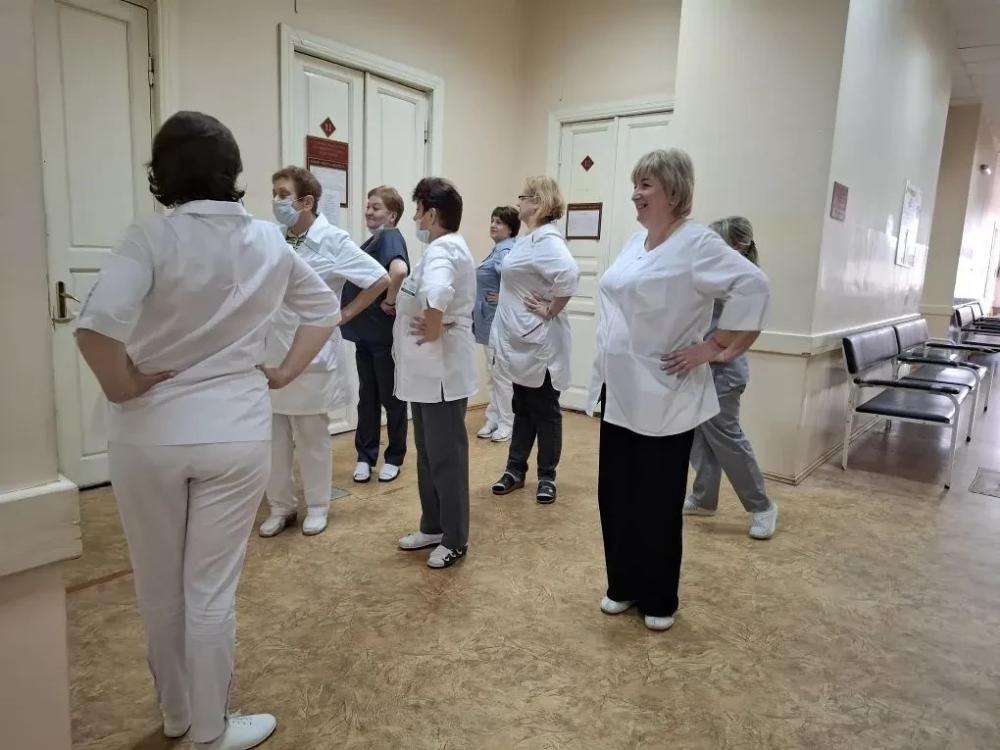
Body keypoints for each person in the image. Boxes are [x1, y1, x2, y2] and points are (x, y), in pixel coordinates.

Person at [74, 112, 341, 749]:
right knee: (211, 591)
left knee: (158, 586)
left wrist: (123, 386)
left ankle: (176, 714)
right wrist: (283, 372)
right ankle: (209, 729)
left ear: (161, 174)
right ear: (233, 172)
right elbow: (324, 310)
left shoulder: (149, 238)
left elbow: (95, 328)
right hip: (234, 431)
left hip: (147, 436)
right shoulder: (268, 242)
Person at [587, 149, 769, 632]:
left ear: (673, 189)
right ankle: (623, 585)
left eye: (646, 184)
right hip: (618, 390)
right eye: (635, 184)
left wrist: (715, 347)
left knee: (657, 500)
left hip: (664, 393)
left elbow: (753, 285)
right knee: (616, 495)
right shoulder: (635, 242)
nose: (636, 194)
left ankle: (659, 596)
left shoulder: (697, 242)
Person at [259, 167, 389, 538]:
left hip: (311, 355)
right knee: (273, 437)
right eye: (274, 193)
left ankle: (317, 506)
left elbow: (379, 278)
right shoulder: (275, 238)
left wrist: (343, 315)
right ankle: (281, 506)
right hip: (273, 349)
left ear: (306, 202)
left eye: (283, 194)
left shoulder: (332, 239)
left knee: (311, 436)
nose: (276, 200)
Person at [394, 177, 477, 568]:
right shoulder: (442, 248)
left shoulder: (445, 249)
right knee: (428, 454)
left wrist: (432, 327)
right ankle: (433, 526)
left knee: (446, 457)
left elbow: (438, 292)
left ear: (432, 214)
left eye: (417, 210)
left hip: (441, 373)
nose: (415, 218)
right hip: (427, 374)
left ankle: (455, 538)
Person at [684, 217, 777, 539]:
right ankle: (704, 498)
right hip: (699, 370)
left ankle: (762, 507)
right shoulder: (716, 274)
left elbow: (754, 323)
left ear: (736, 246)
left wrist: (727, 354)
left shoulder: (745, 279)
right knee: (700, 439)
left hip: (724, 375)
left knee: (728, 442)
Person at [489, 177, 579, 504]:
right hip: (522, 339)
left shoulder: (547, 240)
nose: (519, 202)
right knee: (522, 407)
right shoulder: (530, 239)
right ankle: (515, 470)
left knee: (545, 410)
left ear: (538, 202)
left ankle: (547, 477)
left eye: (523, 196)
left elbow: (569, 274)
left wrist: (550, 309)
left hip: (540, 342)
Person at [340, 186, 411, 484]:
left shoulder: (390, 236)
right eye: (368, 206)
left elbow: (399, 271)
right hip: (366, 338)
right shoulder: (377, 239)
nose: (369, 211)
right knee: (367, 398)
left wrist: (389, 302)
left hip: (382, 338)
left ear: (392, 215)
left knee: (390, 399)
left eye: (376, 207)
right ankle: (365, 457)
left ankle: (393, 457)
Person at [473, 206, 520, 442]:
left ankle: (507, 422)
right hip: (486, 322)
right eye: (492, 220)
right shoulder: (497, 250)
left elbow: (517, 281)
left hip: (497, 323)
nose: (493, 225)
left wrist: (504, 297)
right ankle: (493, 417)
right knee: (492, 373)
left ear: (510, 228)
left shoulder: (507, 252)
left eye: (499, 222)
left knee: (501, 375)